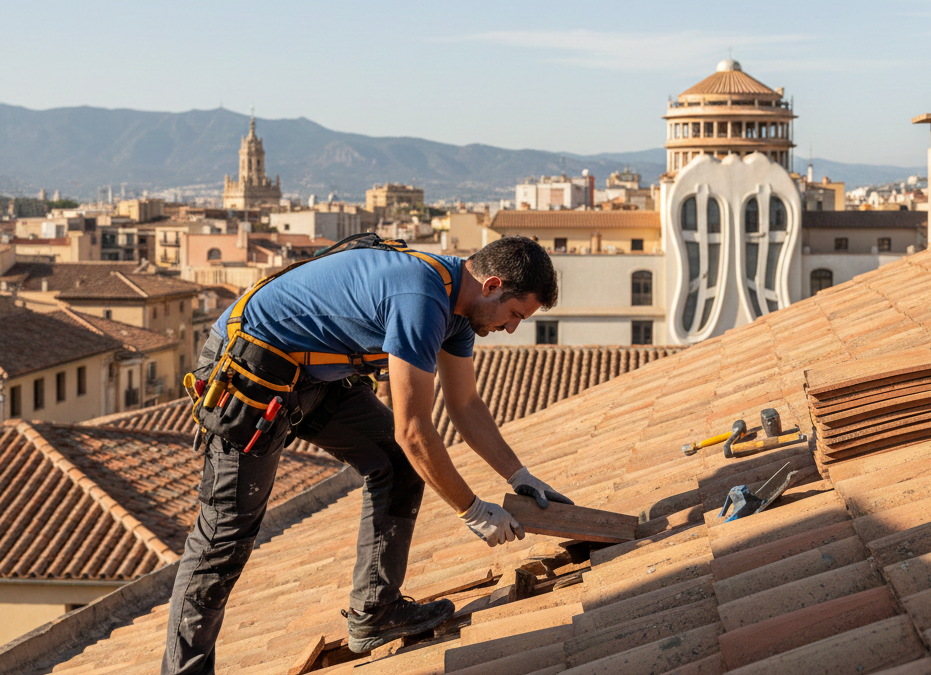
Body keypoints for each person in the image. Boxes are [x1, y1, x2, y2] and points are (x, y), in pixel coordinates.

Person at [161, 235, 573, 675]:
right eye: (515, 315)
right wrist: (472, 511)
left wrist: (518, 475)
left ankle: (375, 612)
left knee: (396, 464)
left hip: (311, 373)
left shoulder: (459, 310)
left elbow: (465, 404)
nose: (511, 329)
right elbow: (413, 431)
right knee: (224, 536)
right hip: (252, 367)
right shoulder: (422, 299)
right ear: (492, 286)